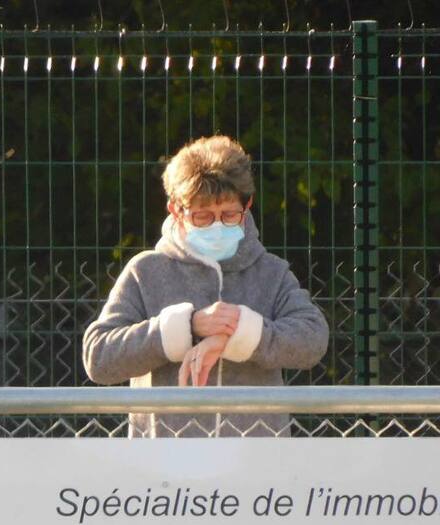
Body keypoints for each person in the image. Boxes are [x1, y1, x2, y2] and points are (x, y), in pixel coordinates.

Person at [82, 135, 329, 437]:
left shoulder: (271, 271)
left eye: (229, 215)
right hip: (164, 458)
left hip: (257, 457)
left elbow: (313, 339)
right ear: (176, 210)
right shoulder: (145, 271)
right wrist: (186, 327)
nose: (217, 225)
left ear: (247, 206)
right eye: (202, 216)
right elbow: (98, 357)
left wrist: (238, 332)